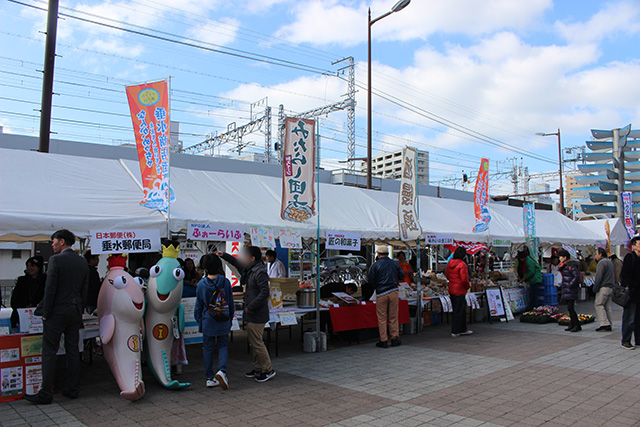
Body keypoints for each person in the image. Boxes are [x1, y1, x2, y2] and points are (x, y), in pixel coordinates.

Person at [25, 230, 89, 404]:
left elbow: (50, 288)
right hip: (74, 311)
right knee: (73, 351)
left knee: (49, 351)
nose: (52, 245)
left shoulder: (56, 260)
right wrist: (79, 311)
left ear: (62, 241)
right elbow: (84, 290)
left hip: (57, 312)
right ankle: (73, 388)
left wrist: (46, 313)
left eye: (53, 241)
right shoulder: (82, 261)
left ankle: (46, 393)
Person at [218, 247, 275, 382]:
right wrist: (224, 255)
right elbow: (237, 264)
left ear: (252, 258)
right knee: (253, 343)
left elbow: (264, 293)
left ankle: (268, 369)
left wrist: (251, 307)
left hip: (257, 314)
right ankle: (258, 368)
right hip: (252, 313)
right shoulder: (250, 270)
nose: (243, 259)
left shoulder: (259, 271)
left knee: (257, 343)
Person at [194, 254, 234, 389]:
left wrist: (200, 321)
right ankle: (222, 371)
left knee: (208, 348)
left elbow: (198, 306)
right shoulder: (225, 282)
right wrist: (230, 318)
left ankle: (210, 377)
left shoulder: (201, 284)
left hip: (208, 320)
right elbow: (230, 302)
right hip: (223, 318)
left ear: (204, 267)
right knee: (223, 345)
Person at [368, 247, 404, 348]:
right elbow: (402, 276)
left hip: (381, 293)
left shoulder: (375, 265)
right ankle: (394, 338)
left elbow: (371, 280)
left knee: (382, 317)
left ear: (378, 254)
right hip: (393, 291)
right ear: (387, 253)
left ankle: (383, 340)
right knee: (393, 316)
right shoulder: (395, 263)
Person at [10, 256, 46, 329]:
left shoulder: (45, 280)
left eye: (32, 266)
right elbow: (14, 299)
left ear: (39, 267)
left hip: (38, 317)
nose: (29, 268)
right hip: (20, 316)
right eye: (27, 266)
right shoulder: (22, 281)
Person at [446, 247, 473, 337]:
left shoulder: (450, 263)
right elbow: (464, 279)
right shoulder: (462, 264)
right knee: (460, 311)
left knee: (457, 310)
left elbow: (447, 275)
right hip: (460, 290)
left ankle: (462, 328)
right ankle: (456, 330)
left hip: (452, 288)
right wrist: (467, 287)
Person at [620, 236, 640, 349]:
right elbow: (624, 276)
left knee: (638, 318)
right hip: (631, 294)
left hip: (639, 294)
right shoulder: (629, 257)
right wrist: (633, 286)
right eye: (639, 244)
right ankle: (626, 341)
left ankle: (638, 339)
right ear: (633, 246)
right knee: (629, 318)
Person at [558, 249, 581, 333]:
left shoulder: (571, 265)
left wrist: (570, 284)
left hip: (571, 289)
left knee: (571, 308)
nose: (559, 258)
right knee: (569, 308)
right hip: (567, 289)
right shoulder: (564, 266)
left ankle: (576, 325)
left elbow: (576, 276)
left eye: (560, 257)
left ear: (565, 257)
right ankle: (572, 324)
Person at [593, 248, 615, 332]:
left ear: (600, 254)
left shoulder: (602, 263)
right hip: (610, 287)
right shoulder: (610, 262)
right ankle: (609, 323)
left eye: (596, 254)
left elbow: (599, 276)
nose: (595, 256)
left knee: (598, 304)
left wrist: (595, 287)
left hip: (604, 287)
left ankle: (604, 323)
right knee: (607, 306)